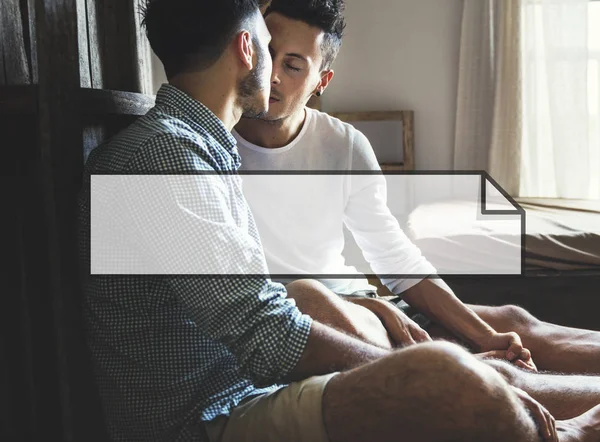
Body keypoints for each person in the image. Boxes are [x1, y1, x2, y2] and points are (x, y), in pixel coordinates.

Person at [77, 0, 600, 441]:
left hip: (238, 384)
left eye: (296, 63)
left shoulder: (191, 148)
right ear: (246, 49)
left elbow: (259, 314)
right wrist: (407, 364)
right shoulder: (166, 158)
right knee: (450, 372)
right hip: (211, 413)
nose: (276, 69)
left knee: (482, 343)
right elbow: (266, 332)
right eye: (267, 43)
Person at [234, 0, 600, 377]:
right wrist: (368, 308)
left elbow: (394, 257)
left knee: (513, 322)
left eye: (293, 66)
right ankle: (470, 372)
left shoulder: (343, 144)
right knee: (322, 303)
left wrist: (486, 335)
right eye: (266, 53)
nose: (271, 74)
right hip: (310, 315)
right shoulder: (210, 143)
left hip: (361, 303)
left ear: (321, 82)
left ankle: (478, 358)